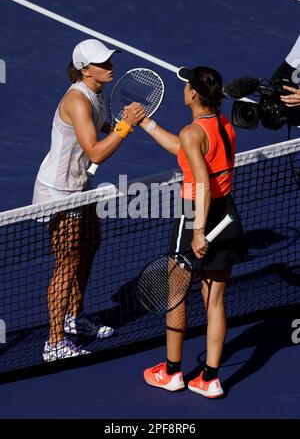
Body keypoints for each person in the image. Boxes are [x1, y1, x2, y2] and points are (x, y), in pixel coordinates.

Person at [32, 39, 145, 362]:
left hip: (82, 185)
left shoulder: (96, 92)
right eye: (103, 63)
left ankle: (72, 316)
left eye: (110, 61)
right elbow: (96, 151)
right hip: (60, 192)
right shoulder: (77, 101)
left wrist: (116, 125)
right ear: (84, 70)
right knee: (66, 261)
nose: (110, 67)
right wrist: (123, 128)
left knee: (89, 246)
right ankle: (53, 342)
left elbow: (97, 131)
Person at [140, 66, 246, 398]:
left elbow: (201, 181)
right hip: (226, 213)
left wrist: (197, 230)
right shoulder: (224, 124)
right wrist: (146, 123)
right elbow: (186, 151)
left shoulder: (192, 132)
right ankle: (210, 379)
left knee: (175, 296)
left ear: (193, 95)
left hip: (194, 216)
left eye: (186, 86)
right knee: (214, 301)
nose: (183, 89)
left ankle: (172, 372)